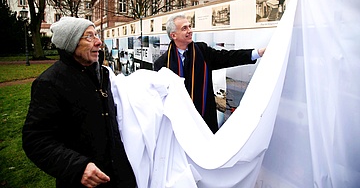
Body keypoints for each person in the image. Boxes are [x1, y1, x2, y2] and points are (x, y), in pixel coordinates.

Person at [22, 17, 136, 188]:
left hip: (118, 176)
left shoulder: (103, 74)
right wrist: (78, 167)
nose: (99, 42)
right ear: (71, 44)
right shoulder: (49, 83)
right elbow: (36, 140)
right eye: (89, 36)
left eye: (96, 35)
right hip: (84, 181)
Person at [153, 13, 265, 134]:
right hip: (177, 124)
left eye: (190, 26)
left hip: (204, 117)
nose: (190, 31)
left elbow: (227, 57)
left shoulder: (202, 51)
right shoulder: (162, 64)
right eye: (184, 28)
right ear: (173, 35)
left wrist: (257, 53)